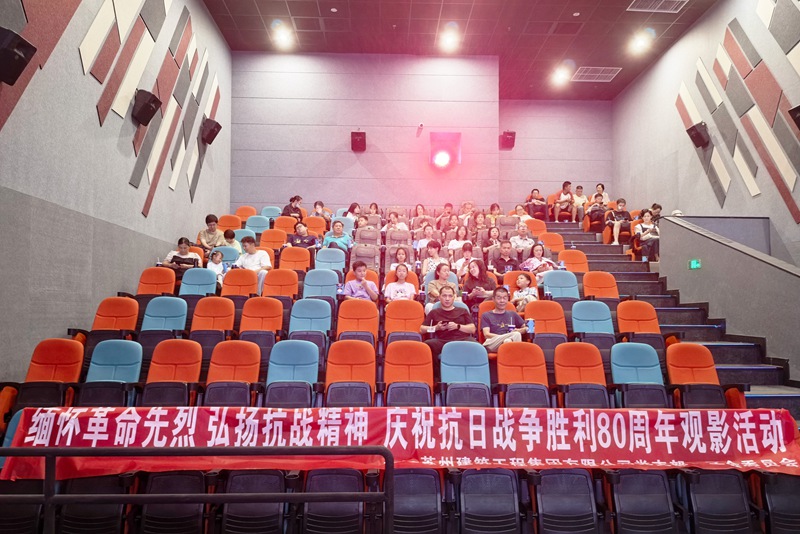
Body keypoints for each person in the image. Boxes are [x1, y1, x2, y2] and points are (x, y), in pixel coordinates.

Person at [419, 285, 476, 359]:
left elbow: (472, 329)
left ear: (454, 297)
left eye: (450, 296)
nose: (447, 299)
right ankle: (436, 367)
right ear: (439, 297)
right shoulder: (434, 312)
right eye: (444, 296)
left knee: (476, 346)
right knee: (427, 345)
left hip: (462, 339)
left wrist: (458, 326)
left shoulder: (463, 310)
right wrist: (436, 328)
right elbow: (422, 330)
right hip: (443, 341)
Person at [481, 287, 528, 351]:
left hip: (509, 340)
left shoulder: (512, 314)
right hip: (492, 343)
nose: (502, 301)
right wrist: (507, 336)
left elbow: (526, 327)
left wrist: (521, 330)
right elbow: (486, 335)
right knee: (516, 334)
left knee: (508, 341)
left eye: (504, 298)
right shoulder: (486, 315)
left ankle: (511, 356)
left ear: (507, 299)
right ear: (493, 299)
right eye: (499, 298)